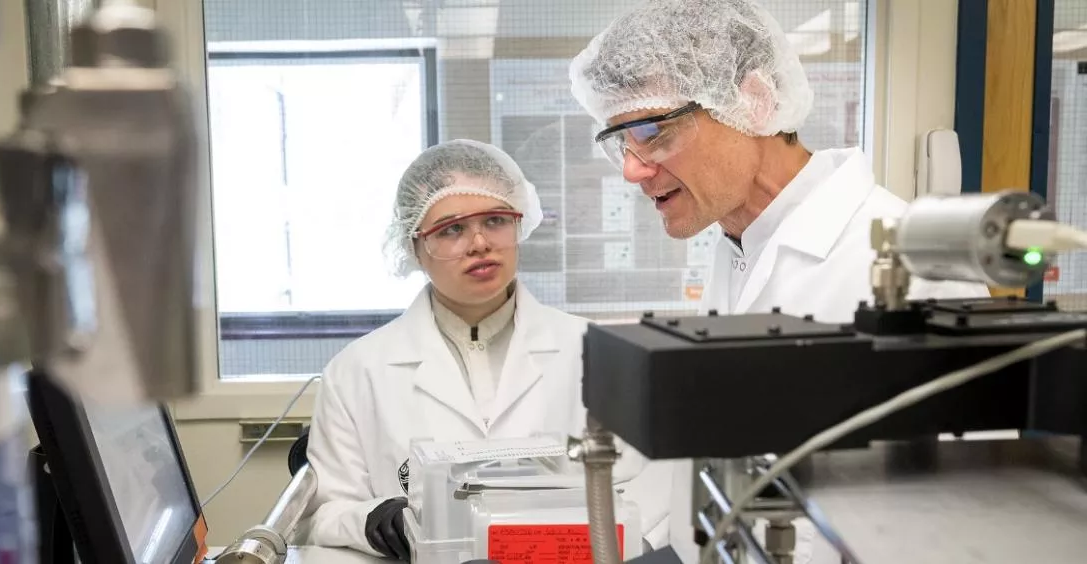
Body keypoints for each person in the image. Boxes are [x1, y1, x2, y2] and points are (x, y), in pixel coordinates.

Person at [567, 0, 989, 562]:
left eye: (653, 130)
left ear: (754, 102)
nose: (631, 169)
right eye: (619, 139)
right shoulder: (739, 247)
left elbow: (968, 512)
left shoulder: (912, 266)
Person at [302, 139, 671, 560]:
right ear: (415, 248)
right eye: (452, 229)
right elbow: (323, 514)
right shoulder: (357, 371)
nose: (479, 243)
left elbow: (652, 487)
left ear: (520, 224)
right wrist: (370, 520)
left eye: (495, 220)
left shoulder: (597, 351)